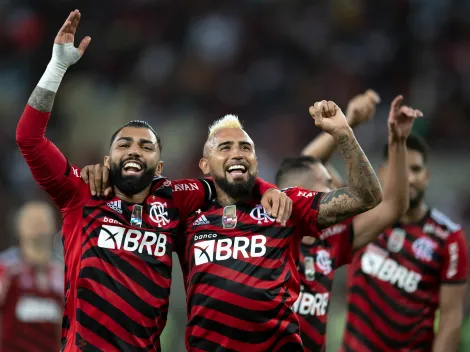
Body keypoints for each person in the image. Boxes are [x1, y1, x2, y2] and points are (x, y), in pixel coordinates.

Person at [16, 10, 289, 352]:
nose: (134, 150)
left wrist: (269, 189)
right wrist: (57, 68)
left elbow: (229, 180)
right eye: (124, 144)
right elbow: (28, 138)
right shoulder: (81, 193)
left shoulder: (174, 198)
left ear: (158, 165)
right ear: (107, 160)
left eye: (145, 146)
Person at [178, 98, 384, 351]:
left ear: (255, 160)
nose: (237, 153)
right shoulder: (186, 214)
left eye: (245, 147)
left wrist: (344, 133)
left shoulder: (287, 204)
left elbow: (367, 197)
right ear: (205, 165)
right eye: (225, 147)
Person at [276, 93, 421, 352]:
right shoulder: (266, 236)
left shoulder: (331, 240)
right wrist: (346, 125)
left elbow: (392, 206)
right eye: (329, 185)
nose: (338, 189)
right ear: (302, 193)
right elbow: (304, 164)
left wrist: (397, 141)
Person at [327, 113, 468, 350]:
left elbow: (450, 320)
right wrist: (347, 124)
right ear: (382, 173)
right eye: (401, 168)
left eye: (416, 169)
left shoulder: (449, 238)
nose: (409, 178)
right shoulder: (363, 217)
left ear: (427, 176)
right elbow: (312, 165)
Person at [0, 201, 63, 352]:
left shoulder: (63, 274)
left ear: (53, 226)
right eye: (31, 220)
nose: (37, 224)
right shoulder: (5, 269)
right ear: (19, 227)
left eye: (42, 219)